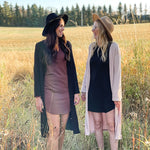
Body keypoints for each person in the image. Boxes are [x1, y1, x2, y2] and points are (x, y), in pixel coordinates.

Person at [34, 13, 80, 150]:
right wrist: (38, 97)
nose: (63, 29)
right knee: (54, 130)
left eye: (63, 26)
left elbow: (72, 70)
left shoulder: (67, 45)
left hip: (65, 94)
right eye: (60, 26)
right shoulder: (40, 47)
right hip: (50, 94)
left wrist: (76, 92)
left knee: (61, 131)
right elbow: (37, 72)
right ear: (53, 27)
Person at [81, 13, 122, 150]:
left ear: (103, 30)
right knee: (97, 124)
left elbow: (117, 73)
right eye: (93, 27)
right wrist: (84, 89)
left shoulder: (113, 47)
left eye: (95, 27)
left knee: (112, 126)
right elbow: (88, 70)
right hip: (94, 93)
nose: (92, 30)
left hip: (108, 94)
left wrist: (116, 96)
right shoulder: (91, 47)